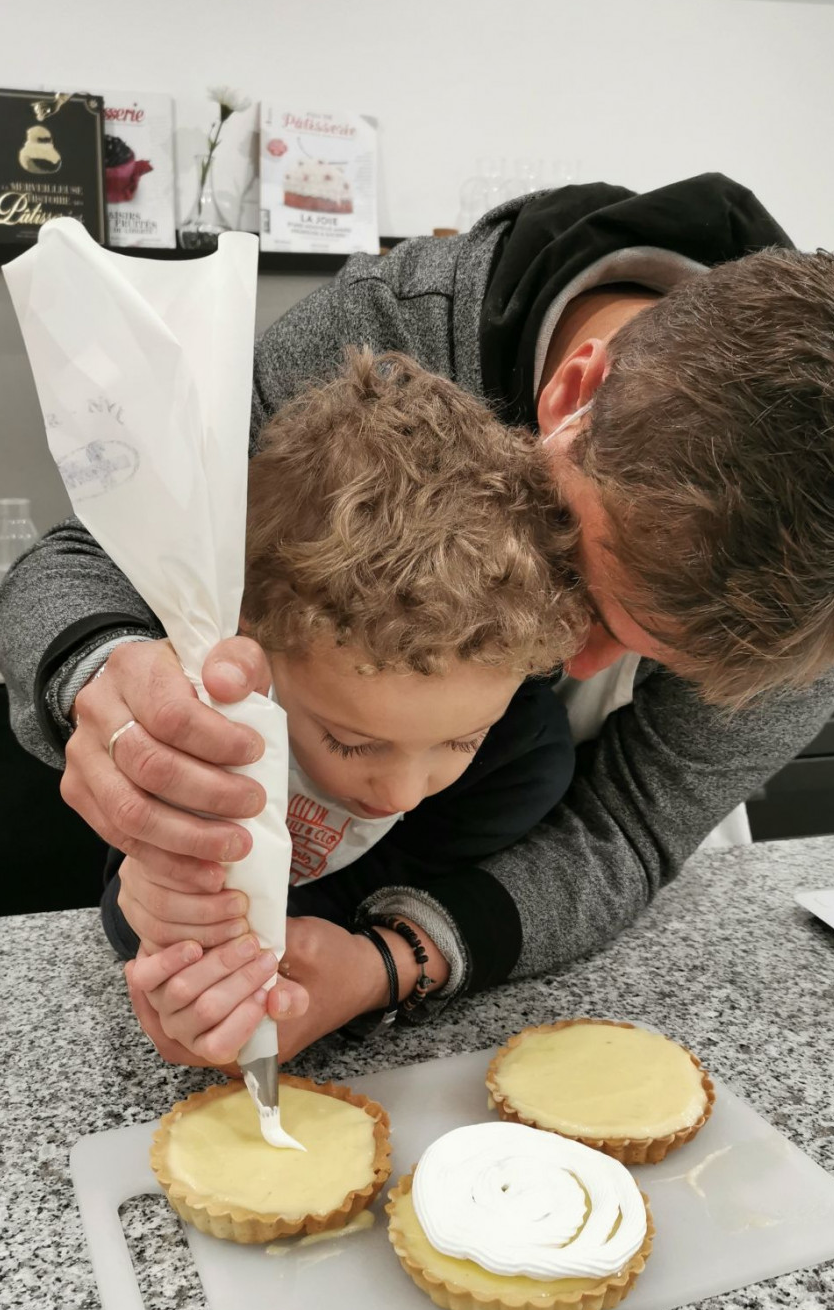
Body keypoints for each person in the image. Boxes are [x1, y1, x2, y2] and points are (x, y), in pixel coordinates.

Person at [0, 173, 834, 1063]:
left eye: (649, 655)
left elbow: (630, 827)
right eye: (593, 592)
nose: (567, 658)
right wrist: (109, 685)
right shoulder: (385, 330)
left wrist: (391, 960)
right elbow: (86, 560)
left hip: (530, 891)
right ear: (572, 394)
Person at [108, 348, 586, 1065]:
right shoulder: (207, 716)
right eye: (353, 744)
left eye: (461, 741)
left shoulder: (520, 764)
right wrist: (172, 927)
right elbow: (133, 882)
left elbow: (429, 879)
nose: (399, 790)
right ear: (252, 651)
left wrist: (361, 962)